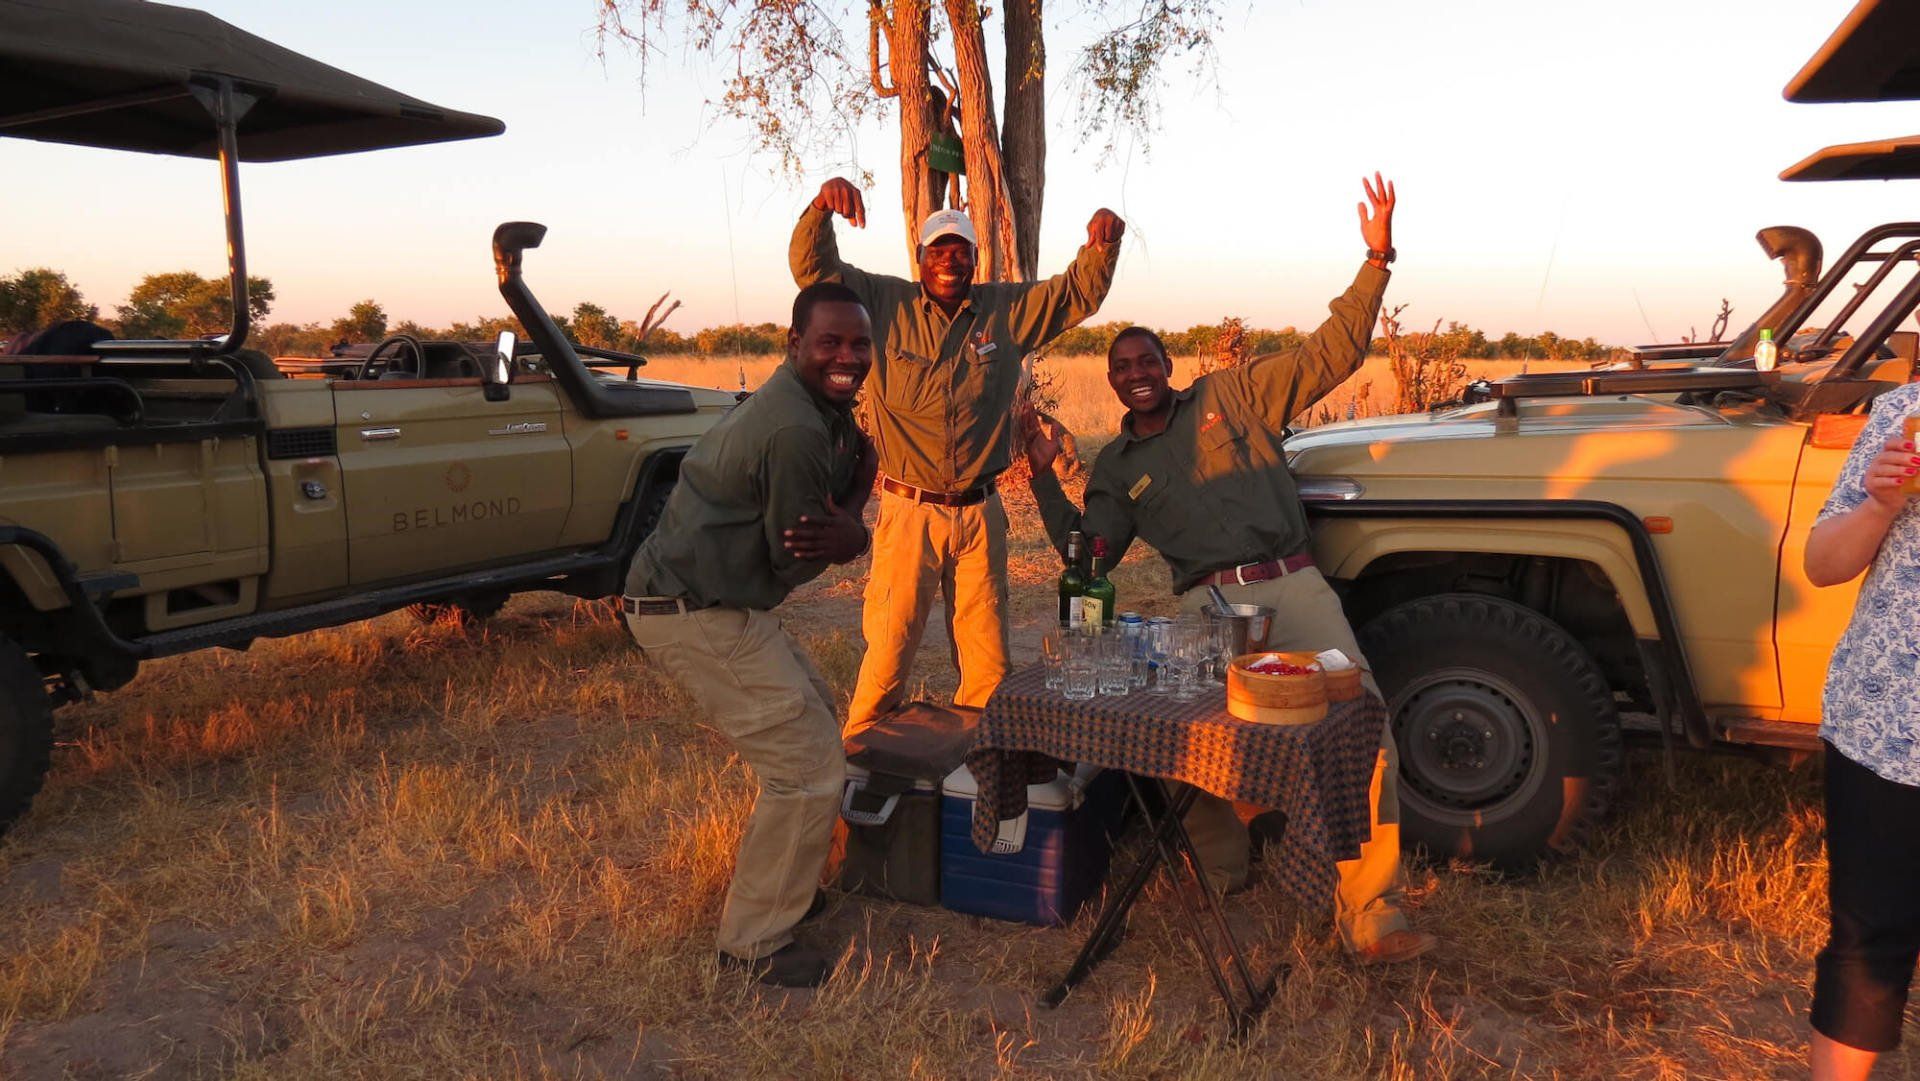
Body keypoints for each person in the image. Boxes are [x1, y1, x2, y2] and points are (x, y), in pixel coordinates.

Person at [1020, 174, 1435, 966]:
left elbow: (1332, 351)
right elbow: (1090, 553)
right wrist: (1042, 473)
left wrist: (1377, 255)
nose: (1136, 370)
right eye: (1121, 364)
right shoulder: (1121, 466)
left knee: (1362, 727)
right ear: (1111, 382)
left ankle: (1372, 904)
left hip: (1295, 588)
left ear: (1168, 365)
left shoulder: (1235, 394)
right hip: (1214, 610)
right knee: (1194, 740)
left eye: (1147, 357)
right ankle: (1222, 866)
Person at [792, 178, 1124, 738]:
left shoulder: (1003, 311)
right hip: (908, 513)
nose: (950, 259)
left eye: (961, 250)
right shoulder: (883, 302)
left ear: (975, 258)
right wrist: (821, 208)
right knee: (888, 656)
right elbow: (815, 273)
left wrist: (1102, 247)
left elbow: (1074, 296)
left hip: (980, 512)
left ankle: (978, 778)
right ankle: (854, 782)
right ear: (920, 257)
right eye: (938, 250)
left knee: (989, 664)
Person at [622, 281, 878, 989]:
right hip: (694, 606)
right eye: (829, 341)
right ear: (795, 343)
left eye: (859, 343)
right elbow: (796, 554)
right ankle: (755, 940)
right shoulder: (797, 426)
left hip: (712, 596)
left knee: (815, 727)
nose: (847, 356)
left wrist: (850, 500)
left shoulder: (813, 408)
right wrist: (856, 517)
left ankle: (788, 883)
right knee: (804, 766)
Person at [1803, 380, 1920, 1079]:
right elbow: (1822, 564)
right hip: (1887, 724)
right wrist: (1881, 504)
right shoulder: (1902, 416)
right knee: (1866, 943)